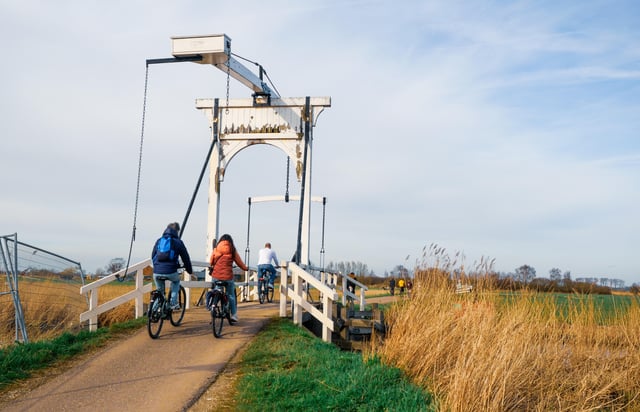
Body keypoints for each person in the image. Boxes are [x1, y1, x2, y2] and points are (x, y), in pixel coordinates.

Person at [151, 222, 193, 310]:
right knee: (176, 282)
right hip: (170, 271)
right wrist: (189, 270)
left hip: (157, 272)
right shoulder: (178, 242)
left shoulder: (159, 240)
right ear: (177, 231)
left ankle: (153, 312)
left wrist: (157, 266)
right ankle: (173, 303)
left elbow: (153, 255)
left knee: (160, 292)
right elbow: (186, 257)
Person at [209, 234, 248, 322]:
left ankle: (213, 307)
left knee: (216, 290)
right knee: (231, 295)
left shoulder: (216, 249)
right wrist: (246, 268)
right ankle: (234, 315)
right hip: (227, 277)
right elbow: (239, 263)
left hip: (216, 276)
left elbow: (211, 261)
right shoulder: (232, 250)